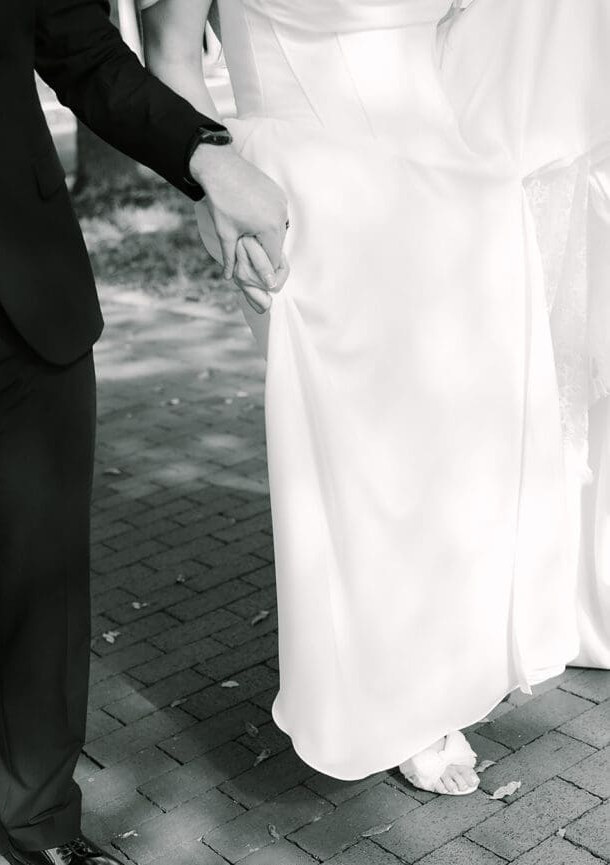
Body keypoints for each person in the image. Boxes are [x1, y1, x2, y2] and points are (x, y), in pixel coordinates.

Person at [141, 0, 610, 795]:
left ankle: (452, 665)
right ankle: (400, 702)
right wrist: (206, 188)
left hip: (458, 191)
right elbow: (167, 41)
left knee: (457, 450)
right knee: (365, 461)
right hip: (315, 197)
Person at [0, 0, 289, 865]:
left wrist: (208, 161)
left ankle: (42, 817)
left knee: (43, 577)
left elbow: (86, 52)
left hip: (23, 286)